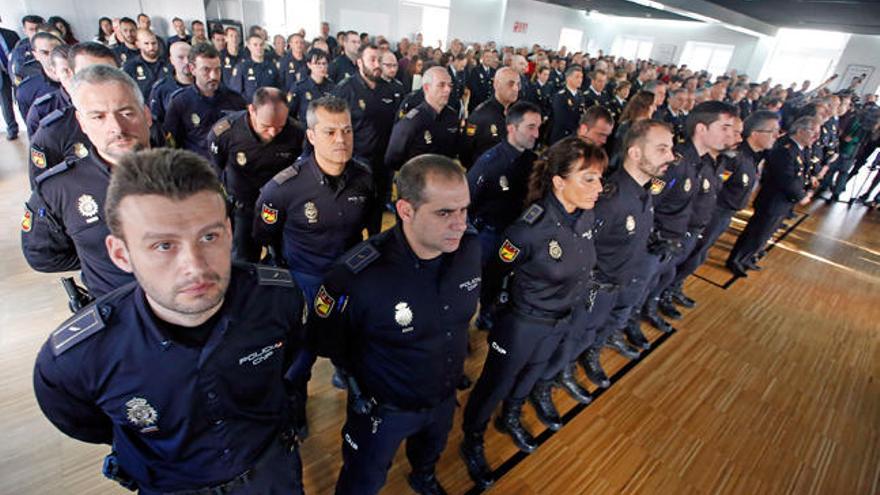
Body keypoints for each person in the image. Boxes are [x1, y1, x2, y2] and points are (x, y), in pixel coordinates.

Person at [33, 148, 306, 494]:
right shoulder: (78, 359)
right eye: (164, 246)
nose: (194, 266)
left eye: (209, 237)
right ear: (121, 254)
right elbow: (86, 423)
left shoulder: (277, 299)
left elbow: (288, 364)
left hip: (269, 469)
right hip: (171, 483)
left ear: (228, 230)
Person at [309, 154, 479, 495]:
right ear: (405, 211)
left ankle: (423, 476)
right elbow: (325, 341)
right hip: (385, 409)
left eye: (463, 210)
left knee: (429, 452)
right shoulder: (357, 276)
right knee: (363, 479)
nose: (460, 223)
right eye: (445, 212)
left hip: (442, 396)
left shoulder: (469, 248)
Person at [461, 138, 604, 488]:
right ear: (558, 182)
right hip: (523, 323)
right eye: (588, 178)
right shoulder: (528, 230)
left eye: (600, 178)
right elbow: (493, 275)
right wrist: (494, 315)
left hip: (560, 319)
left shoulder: (587, 215)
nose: (599, 187)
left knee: (531, 375)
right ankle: (473, 438)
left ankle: (510, 416)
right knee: (495, 384)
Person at [21, 65, 152, 298]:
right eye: (99, 117)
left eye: (127, 112)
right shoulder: (59, 189)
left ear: (146, 114)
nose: (117, 128)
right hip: (118, 313)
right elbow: (41, 254)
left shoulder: (188, 171)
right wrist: (95, 262)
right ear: (82, 123)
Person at [576, 119, 674, 390]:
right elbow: (583, 247)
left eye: (670, 150)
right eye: (662, 149)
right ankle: (558, 372)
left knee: (601, 326)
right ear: (635, 153)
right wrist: (591, 288)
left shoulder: (645, 190)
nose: (671, 157)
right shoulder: (611, 198)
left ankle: (587, 355)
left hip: (623, 277)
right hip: (596, 285)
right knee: (579, 330)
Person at [675, 111, 778, 290]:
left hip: (725, 214)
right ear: (755, 134)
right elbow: (714, 188)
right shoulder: (734, 158)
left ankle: (675, 286)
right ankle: (667, 290)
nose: (777, 136)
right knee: (693, 254)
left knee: (700, 254)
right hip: (714, 211)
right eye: (772, 131)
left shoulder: (752, 158)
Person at [207, 87, 305, 261]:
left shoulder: (296, 133)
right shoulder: (226, 133)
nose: (273, 132)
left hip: (279, 207)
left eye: (280, 126)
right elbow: (218, 167)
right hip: (244, 207)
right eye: (266, 126)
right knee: (244, 259)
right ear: (251, 110)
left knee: (286, 256)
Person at [467, 101, 542, 329]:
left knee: (505, 278)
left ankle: (491, 312)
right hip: (489, 234)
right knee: (478, 281)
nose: (536, 134)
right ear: (511, 128)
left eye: (538, 127)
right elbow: (468, 201)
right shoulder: (489, 164)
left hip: (516, 234)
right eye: (530, 127)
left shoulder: (533, 161)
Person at [727, 116, 820, 276]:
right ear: (800, 130)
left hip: (783, 201)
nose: (816, 136)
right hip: (773, 199)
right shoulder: (785, 149)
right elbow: (786, 177)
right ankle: (736, 260)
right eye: (813, 132)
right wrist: (800, 196)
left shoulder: (801, 149)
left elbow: (801, 173)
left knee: (765, 233)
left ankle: (748, 258)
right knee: (756, 232)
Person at [332, 43, 402, 235]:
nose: (377, 64)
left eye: (379, 60)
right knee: (353, 216)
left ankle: (374, 251)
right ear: (359, 62)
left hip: (383, 164)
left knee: (376, 213)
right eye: (372, 59)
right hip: (355, 165)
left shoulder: (389, 90)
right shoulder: (345, 90)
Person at [27, 42, 119, 187]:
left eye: (109, 74)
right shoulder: (52, 132)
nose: (101, 82)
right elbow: (45, 192)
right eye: (90, 74)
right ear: (71, 73)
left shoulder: (141, 119)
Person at [164, 43, 247, 158]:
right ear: (192, 69)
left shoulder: (235, 100)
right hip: (198, 168)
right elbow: (171, 145)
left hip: (228, 166)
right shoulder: (180, 102)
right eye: (206, 70)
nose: (213, 76)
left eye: (217, 70)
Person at [384, 66, 459, 171]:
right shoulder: (412, 121)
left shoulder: (452, 117)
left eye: (449, 85)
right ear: (427, 88)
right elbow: (392, 159)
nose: (447, 90)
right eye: (441, 85)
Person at [461, 67, 521, 167]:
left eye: (518, 84)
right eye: (510, 84)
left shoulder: (516, 112)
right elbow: (465, 153)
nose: (516, 89)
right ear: (496, 85)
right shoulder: (480, 116)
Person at [24, 44, 69, 138]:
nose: (74, 75)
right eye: (66, 71)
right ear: (54, 72)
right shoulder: (42, 110)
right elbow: (38, 147)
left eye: (78, 69)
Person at [15, 32, 62, 122]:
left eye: (55, 51)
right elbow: (33, 129)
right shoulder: (27, 90)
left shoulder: (80, 79)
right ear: (35, 54)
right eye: (45, 52)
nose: (51, 57)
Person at [228, 33, 282, 102]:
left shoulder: (271, 66)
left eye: (261, 45)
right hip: (249, 108)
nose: (259, 47)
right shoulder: (242, 67)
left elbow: (278, 88)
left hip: (269, 106)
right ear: (249, 46)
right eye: (255, 45)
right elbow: (235, 92)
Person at [148, 41, 192, 125]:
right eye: (181, 57)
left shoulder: (204, 84)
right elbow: (156, 123)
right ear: (172, 60)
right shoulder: (161, 89)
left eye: (189, 57)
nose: (186, 62)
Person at [288, 48, 335, 124]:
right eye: (317, 64)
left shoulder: (331, 86)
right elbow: (290, 113)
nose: (322, 67)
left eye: (324, 63)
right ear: (309, 65)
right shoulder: (299, 87)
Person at [122, 29, 171, 99]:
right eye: (146, 43)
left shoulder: (168, 63)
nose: (151, 47)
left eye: (154, 43)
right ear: (138, 44)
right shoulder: (130, 66)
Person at [548, 65, 585, 144]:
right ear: (568, 78)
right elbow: (561, 119)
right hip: (562, 136)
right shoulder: (560, 96)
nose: (580, 80)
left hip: (574, 136)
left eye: (581, 77)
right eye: (577, 77)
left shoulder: (580, 95)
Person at [0, 18, 20, 139]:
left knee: (22, 97)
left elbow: (20, 51)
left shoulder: (10, 34)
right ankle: (12, 129)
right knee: (5, 102)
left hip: (16, 71)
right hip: (1, 75)